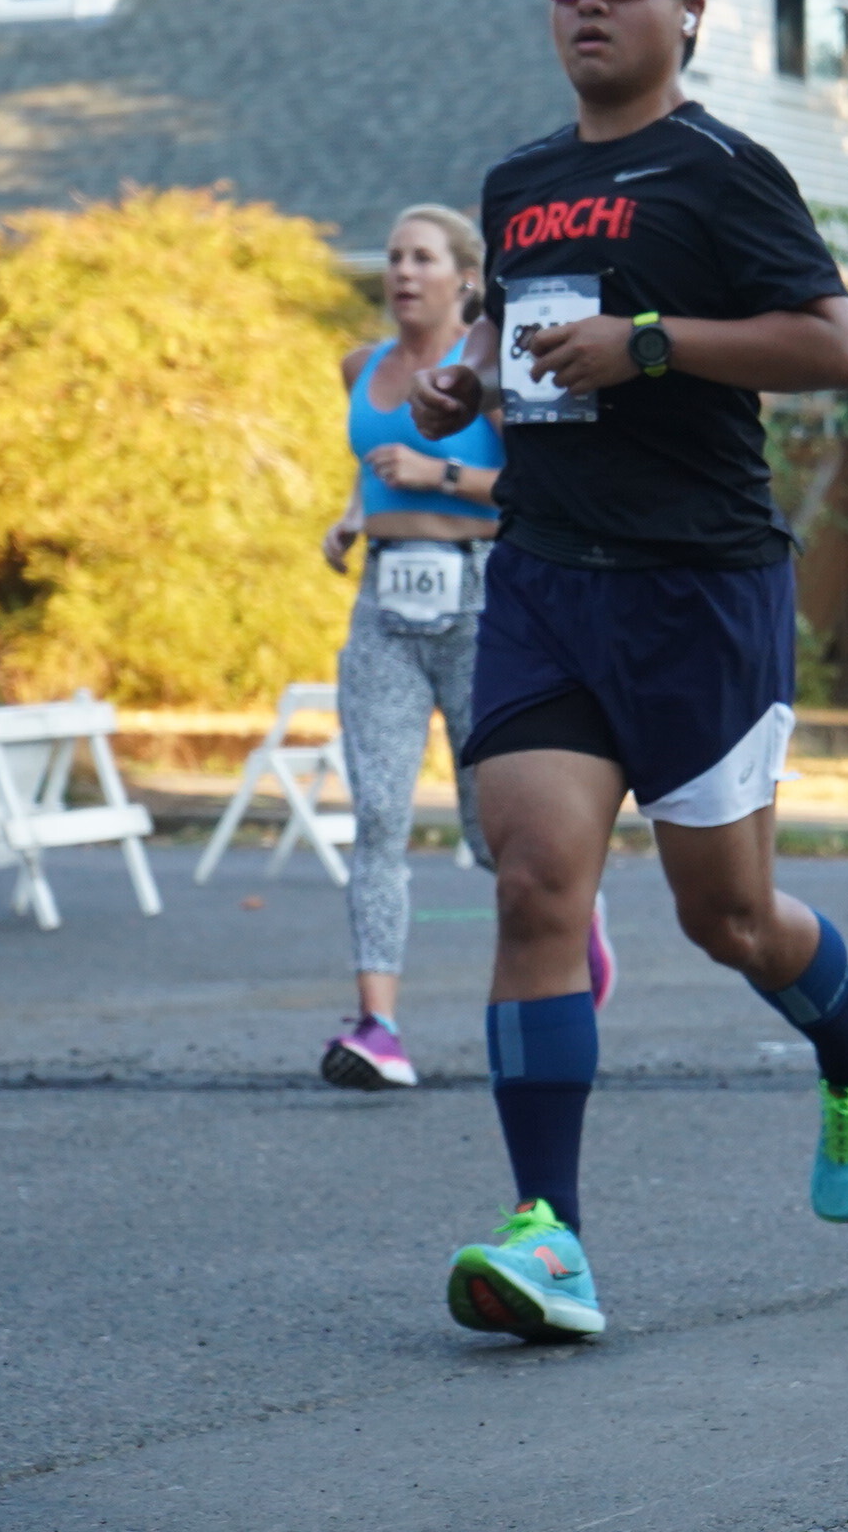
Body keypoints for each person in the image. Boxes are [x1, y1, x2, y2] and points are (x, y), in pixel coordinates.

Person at [405, 0, 848, 1343]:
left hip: (699, 587)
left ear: (687, 10)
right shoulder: (517, 181)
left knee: (726, 915)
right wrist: (466, 371)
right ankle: (547, 1233)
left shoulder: (725, 169)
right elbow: (510, 316)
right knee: (533, 882)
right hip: (548, 577)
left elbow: (832, 346)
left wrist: (650, 345)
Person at [315, 207, 619, 1092]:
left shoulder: (495, 370)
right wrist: (352, 518)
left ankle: (575, 911)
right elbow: (371, 464)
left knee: (498, 838)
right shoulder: (360, 368)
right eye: (394, 258)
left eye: (423, 258)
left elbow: (538, 485)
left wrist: (439, 474)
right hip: (384, 606)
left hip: (485, 600)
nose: (403, 273)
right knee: (379, 818)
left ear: (465, 279)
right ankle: (378, 1026)